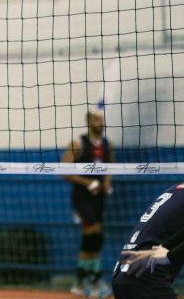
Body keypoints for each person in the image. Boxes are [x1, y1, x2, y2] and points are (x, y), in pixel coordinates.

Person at [62, 110, 114, 297]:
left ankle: (81, 281)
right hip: (81, 198)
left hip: (99, 198)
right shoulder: (78, 143)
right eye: (97, 119)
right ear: (89, 122)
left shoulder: (108, 145)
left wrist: (107, 184)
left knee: (95, 238)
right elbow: (64, 172)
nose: (101, 122)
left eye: (102, 119)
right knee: (93, 235)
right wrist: (88, 182)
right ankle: (94, 280)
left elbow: (109, 169)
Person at [112, 182, 184, 298]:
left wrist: (165, 249)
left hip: (125, 274)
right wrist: (167, 255)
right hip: (145, 277)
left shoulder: (175, 189)